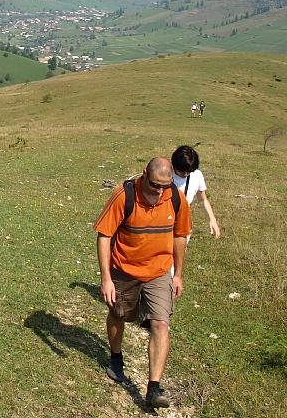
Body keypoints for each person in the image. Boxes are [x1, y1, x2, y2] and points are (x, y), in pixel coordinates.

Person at [95, 157, 192, 410]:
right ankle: (116, 358)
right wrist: (106, 278)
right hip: (125, 270)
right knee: (118, 314)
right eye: (155, 185)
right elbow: (104, 236)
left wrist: (178, 274)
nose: (160, 191)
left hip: (159, 272)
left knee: (160, 322)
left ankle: (154, 387)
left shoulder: (176, 198)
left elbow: (180, 235)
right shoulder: (124, 195)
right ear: (143, 175)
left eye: (166, 186)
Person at [171, 145, 221, 239]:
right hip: (163, 223)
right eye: (182, 172)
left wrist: (212, 219)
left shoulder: (197, 175)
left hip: (183, 223)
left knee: (180, 252)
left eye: (189, 172)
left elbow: (203, 200)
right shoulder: (164, 173)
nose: (185, 175)